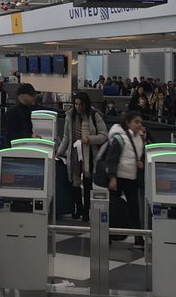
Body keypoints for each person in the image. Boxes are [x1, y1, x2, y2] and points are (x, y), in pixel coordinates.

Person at [56, 92, 108, 221]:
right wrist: (59, 152)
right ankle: (77, 208)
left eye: (81, 104)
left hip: (89, 154)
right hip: (73, 154)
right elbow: (67, 137)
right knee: (74, 182)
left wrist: (89, 139)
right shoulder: (69, 116)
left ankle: (86, 211)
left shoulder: (94, 115)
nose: (78, 107)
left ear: (86, 104)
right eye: (76, 104)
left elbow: (104, 135)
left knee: (87, 182)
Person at [105, 112, 147, 246]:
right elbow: (112, 159)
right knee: (113, 208)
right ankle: (108, 235)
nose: (139, 125)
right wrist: (112, 178)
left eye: (140, 122)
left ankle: (138, 237)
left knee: (134, 208)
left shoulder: (138, 138)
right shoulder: (119, 138)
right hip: (118, 178)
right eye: (136, 122)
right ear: (128, 122)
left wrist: (138, 162)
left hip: (131, 178)